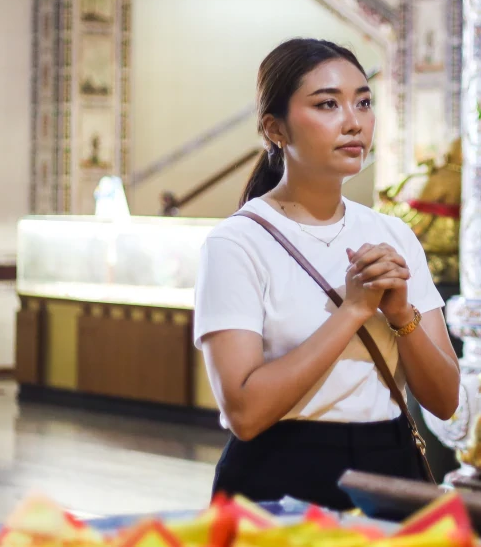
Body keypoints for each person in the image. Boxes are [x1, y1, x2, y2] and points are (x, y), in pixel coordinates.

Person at [194, 38, 460, 510]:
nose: (354, 122)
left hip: (390, 466)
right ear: (275, 128)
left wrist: (402, 315)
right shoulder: (237, 243)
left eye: (363, 103)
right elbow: (245, 414)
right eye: (327, 104)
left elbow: (445, 400)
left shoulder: (393, 234)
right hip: (280, 474)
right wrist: (354, 310)